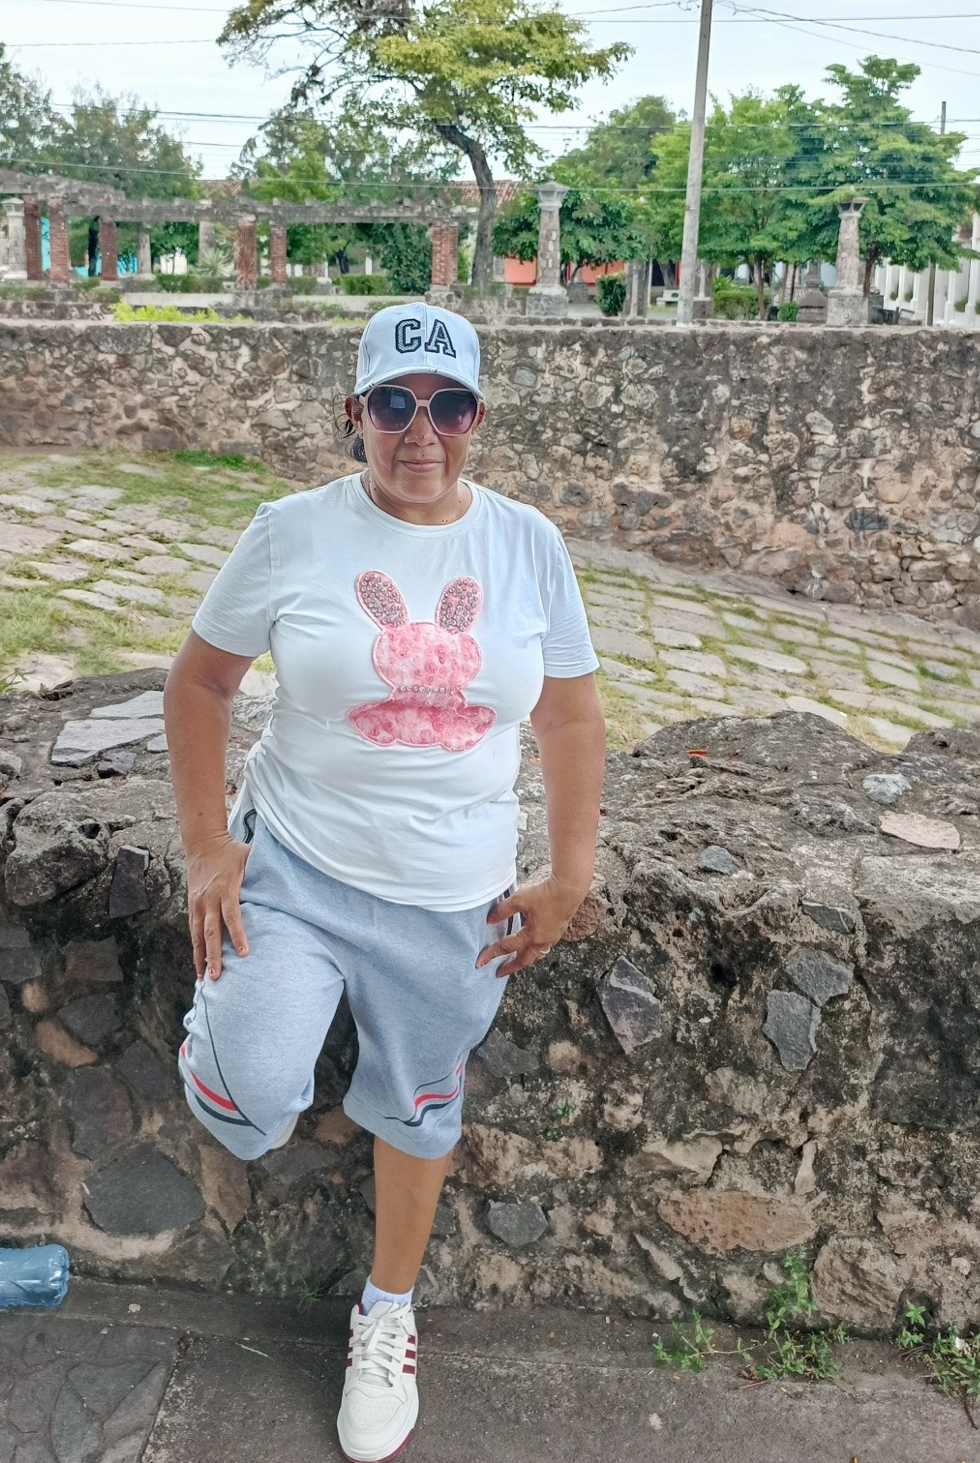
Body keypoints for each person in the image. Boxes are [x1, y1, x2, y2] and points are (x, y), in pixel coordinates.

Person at [164, 301, 605, 1462]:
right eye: (395, 403)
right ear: (353, 412)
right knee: (250, 1102)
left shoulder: (526, 546)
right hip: (298, 866)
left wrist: (569, 874)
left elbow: (569, 716)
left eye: (449, 405)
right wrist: (208, 845)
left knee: (418, 1103)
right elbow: (200, 685)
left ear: (478, 417)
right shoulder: (291, 532)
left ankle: (387, 1313)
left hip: (454, 896)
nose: (422, 431)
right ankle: (221, 1038)